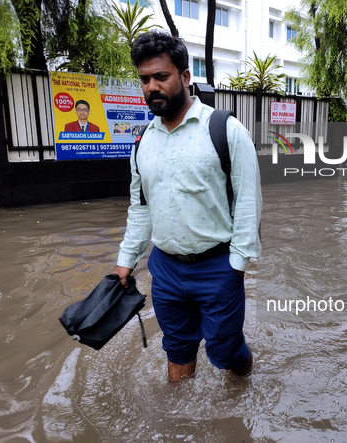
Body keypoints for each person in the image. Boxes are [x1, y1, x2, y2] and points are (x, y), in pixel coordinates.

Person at [112, 31, 262, 382]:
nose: (151, 87)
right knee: (176, 348)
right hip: (165, 269)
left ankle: (245, 375)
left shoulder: (225, 130)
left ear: (184, 76)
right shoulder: (143, 142)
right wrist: (125, 260)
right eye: (145, 80)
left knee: (224, 352)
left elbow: (248, 203)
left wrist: (235, 267)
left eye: (161, 77)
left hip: (218, 267)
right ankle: (178, 426)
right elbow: (141, 208)